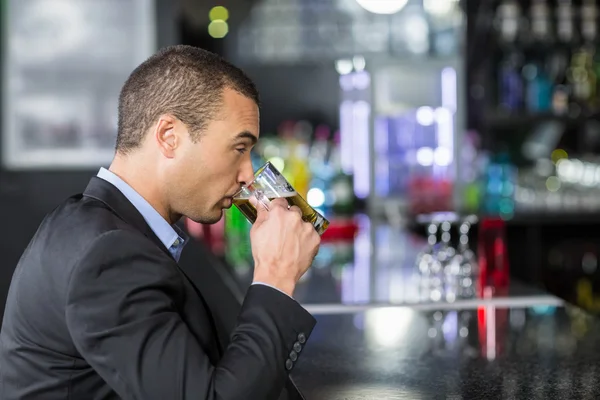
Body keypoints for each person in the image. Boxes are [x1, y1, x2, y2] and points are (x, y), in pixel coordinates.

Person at [0, 45, 321, 399]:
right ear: (169, 136)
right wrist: (275, 275)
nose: (248, 174)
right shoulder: (108, 255)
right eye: (239, 148)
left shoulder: (114, 230)